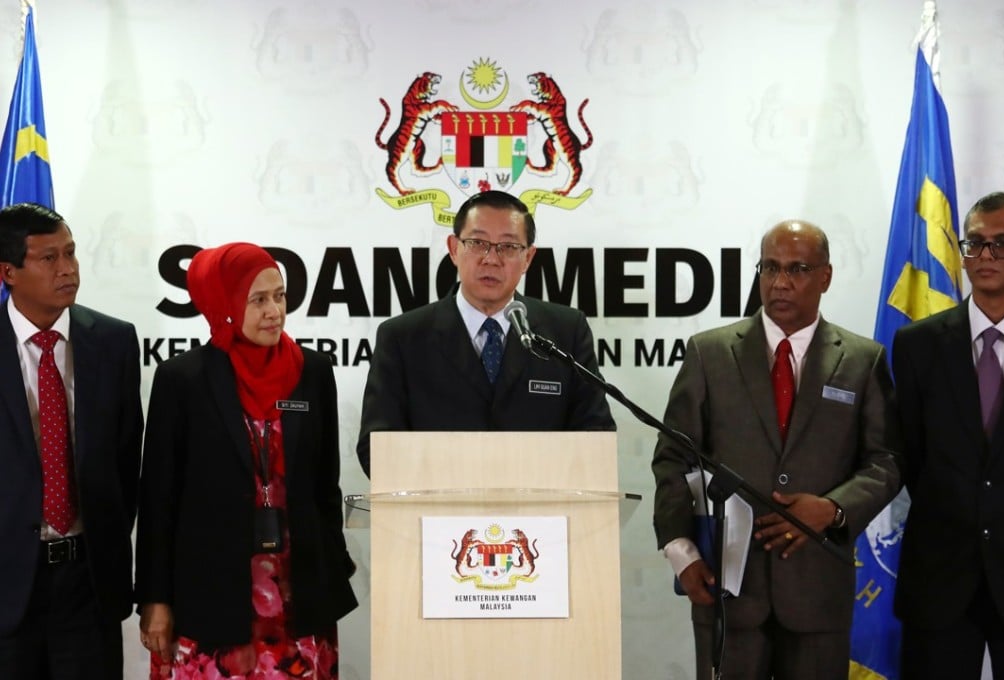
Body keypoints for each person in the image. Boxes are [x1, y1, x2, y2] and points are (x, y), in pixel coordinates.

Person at [651, 220, 901, 679]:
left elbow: (886, 461)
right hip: (725, 588)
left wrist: (834, 509)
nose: (780, 282)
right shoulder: (710, 353)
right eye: (770, 267)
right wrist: (681, 552)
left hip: (817, 591)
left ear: (825, 276)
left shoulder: (864, 361)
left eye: (798, 269)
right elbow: (673, 457)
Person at [135, 243, 357, 679]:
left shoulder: (312, 371)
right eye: (257, 300)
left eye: (280, 295)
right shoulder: (183, 380)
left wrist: (331, 572)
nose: (274, 310)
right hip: (211, 596)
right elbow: (158, 500)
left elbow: (324, 487)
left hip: (298, 596)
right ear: (224, 304)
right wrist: (155, 599)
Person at [357, 190, 615, 477]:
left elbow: (596, 436)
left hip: (538, 517)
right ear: (454, 248)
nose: (491, 259)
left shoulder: (565, 331)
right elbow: (376, 446)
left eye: (508, 247)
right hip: (436, 516)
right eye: (478, 243)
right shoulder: (402, 338)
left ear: (528, 258)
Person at [0, 203, 143, 680]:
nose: (68, 269)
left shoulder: (114, 341)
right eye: (48, 258)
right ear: (8, 272)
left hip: (90, 583)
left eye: (71, 253)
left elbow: (126, 464)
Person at [894, 191, 1004, 679]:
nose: (985, 256)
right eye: (975, 244)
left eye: (1003, 244)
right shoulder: (916, 345)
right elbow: (910, 454)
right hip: (941, 577)